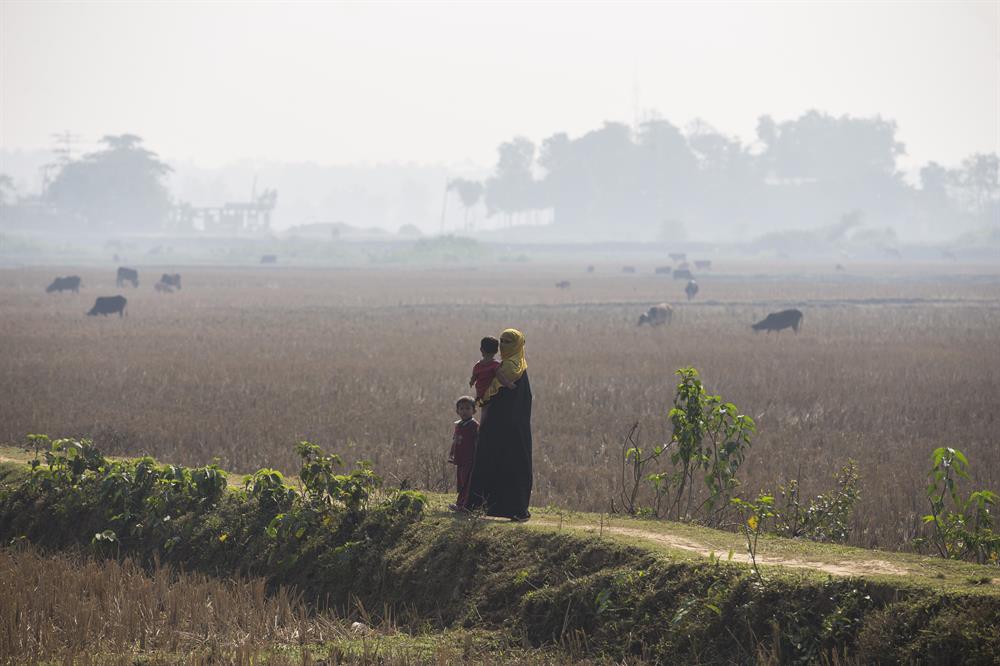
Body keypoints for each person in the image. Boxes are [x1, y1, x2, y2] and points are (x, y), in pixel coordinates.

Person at [466, 328, 532, 521]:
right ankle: (481, 506)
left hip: (508, 429)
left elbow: (492, 395)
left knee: (511, 465)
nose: (503, 345)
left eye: (508, 342)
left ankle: (516, 510)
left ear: (518, 345)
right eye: (501, 341)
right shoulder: (506, 366)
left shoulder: (511, 368)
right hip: (499, 428)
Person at [448, 396, 479, 512]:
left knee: (467, 483)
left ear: (474, 411)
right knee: (461, 482)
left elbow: (477, 442)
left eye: (467, 408)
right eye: (461, 409)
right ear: (457, 411)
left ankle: (465, 505)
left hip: (469, 459)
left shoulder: (474, 426)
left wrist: (477, 458)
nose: (464, 411)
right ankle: (461, 504)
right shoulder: (459, 425)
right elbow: (455, 440)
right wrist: (451, 454)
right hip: (460, 459)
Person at [469, 336, 501, 406]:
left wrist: (471, 382)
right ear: (496, 351)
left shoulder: (478, 365)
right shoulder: (496, 364)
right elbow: (501, 378)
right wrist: (509, 384)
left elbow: (474, 376)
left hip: (480, 392)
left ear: (481, 349)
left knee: (483, 408)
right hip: (491, 393)